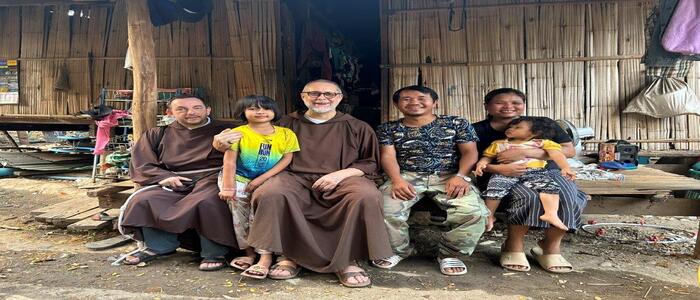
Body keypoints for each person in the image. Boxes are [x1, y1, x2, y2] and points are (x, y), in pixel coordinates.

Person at [213, 79, 392, 288]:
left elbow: (370, 162)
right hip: (292, 176)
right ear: (303, 96)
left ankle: (348, 260)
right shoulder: (284, 124)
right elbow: (248, 140)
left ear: (340, 98)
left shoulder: (356, 126)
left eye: (329, 94)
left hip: (343, 178)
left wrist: (339, 175)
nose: (322, 98)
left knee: (365, 195)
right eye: (314, 93)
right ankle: (288, 256)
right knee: (271, 193)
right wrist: (221, 144)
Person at [373, 85, 488, 276]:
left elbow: (470, 152)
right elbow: (388, 156)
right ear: (396, 104)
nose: (414, 102)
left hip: (450, 175)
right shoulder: (388, 128)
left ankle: (450, 253)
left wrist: (461, 176)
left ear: (435, 102)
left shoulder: (456, 123)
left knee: (474, 213)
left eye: (421, 98)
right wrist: (396, 180)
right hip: (407, 175)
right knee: (385, 209)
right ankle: (398, 250)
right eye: (406, 99)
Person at [472, 88, 587, 274]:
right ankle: (513, 245)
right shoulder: (476, 130)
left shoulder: (542, 124)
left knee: (567, 194)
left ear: (524, 105)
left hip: (547, 171)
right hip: (502, 175)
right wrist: (499, 168)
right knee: (527, 195)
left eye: (515, 102)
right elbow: (470, 161)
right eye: (500, 102)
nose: (508, 106)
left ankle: (549, 247)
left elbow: (569, 150)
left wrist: (526, 152)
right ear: (487, 106)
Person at [119, 96, 237, 271]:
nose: (190, 113)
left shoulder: (227, 131)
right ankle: (159, 246)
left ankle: (214, 252)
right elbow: (142, 163)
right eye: (181, 109)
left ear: (208, 110)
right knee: (145, 199)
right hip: (174, 179)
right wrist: (162, 177)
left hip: (213, 178)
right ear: (170, 112)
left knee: (208, 201)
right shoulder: (158, 133)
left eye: (197, 108)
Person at [218, 95, 300, 279]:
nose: (260, 112)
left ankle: (265, 256)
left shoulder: (286, 134)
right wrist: (228, 187)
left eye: (265, 108)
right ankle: (248, 254)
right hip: (236, 178)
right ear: (243, 112)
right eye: (254, 108)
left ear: (274, 112)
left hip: (268, 178)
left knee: (260, 212)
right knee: (240, 215)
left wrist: (260, 180)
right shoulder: (237, 133)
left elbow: (287, 159)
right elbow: (229, 162)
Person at [474, 116, 576, 232]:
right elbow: (487, 157)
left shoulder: (540, 143)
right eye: (511, 126)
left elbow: (556, 154)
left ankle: (551, 214)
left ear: (534, 133)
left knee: (550, 188)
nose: (511, 128)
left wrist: (565, 168)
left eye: (517, 127)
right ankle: (489, 215)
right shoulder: (499, 144)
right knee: (494, 190)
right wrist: (481, 164)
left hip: (535, 172)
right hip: (505, 173)